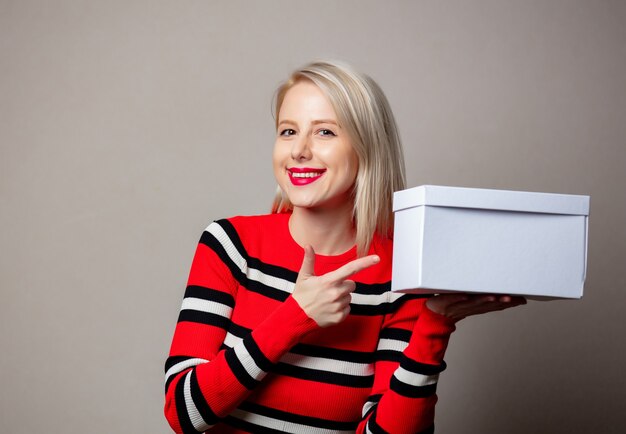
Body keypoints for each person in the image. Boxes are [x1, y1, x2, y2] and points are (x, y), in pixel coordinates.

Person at [164, 60, 526, 434]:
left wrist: (435, 324)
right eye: (288, 131)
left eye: (324, 132)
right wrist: (295, 316)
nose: (299, 151)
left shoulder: (402, 271)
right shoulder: (231, 244)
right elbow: (183, 413)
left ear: (366, 148)